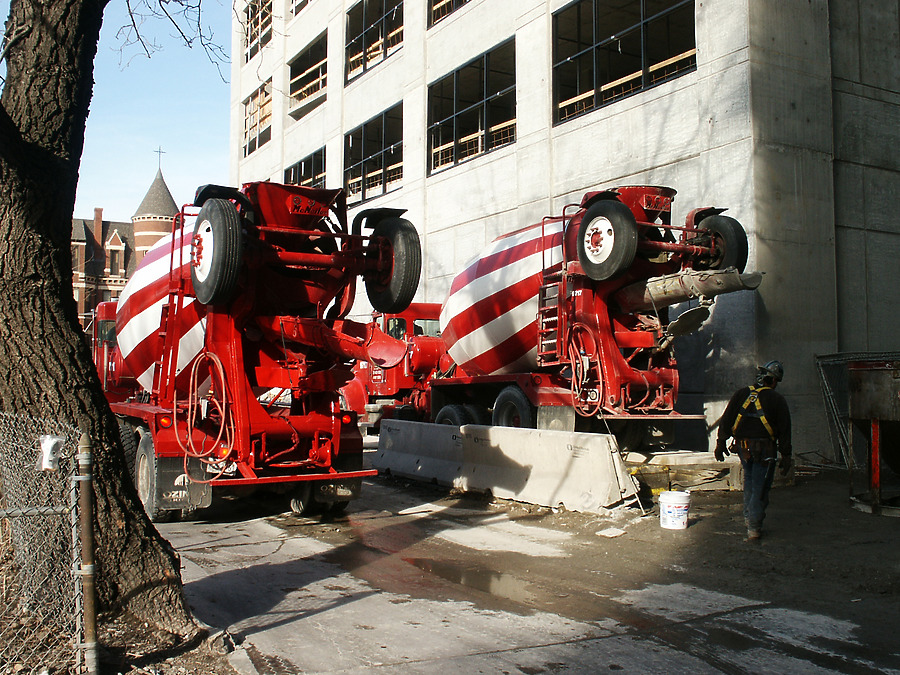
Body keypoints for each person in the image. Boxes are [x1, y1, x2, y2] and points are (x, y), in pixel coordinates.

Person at [715, 360, 792, 541]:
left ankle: (749, 520)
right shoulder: (777, 399)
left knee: (749, 483)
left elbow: (726, 420)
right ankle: (754, 527)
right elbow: (785, 430)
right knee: (759, 487)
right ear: (773, 381)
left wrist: (720, 443)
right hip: (765, 451)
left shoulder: (742, 394)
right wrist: (786, 455)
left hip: (744, 449)